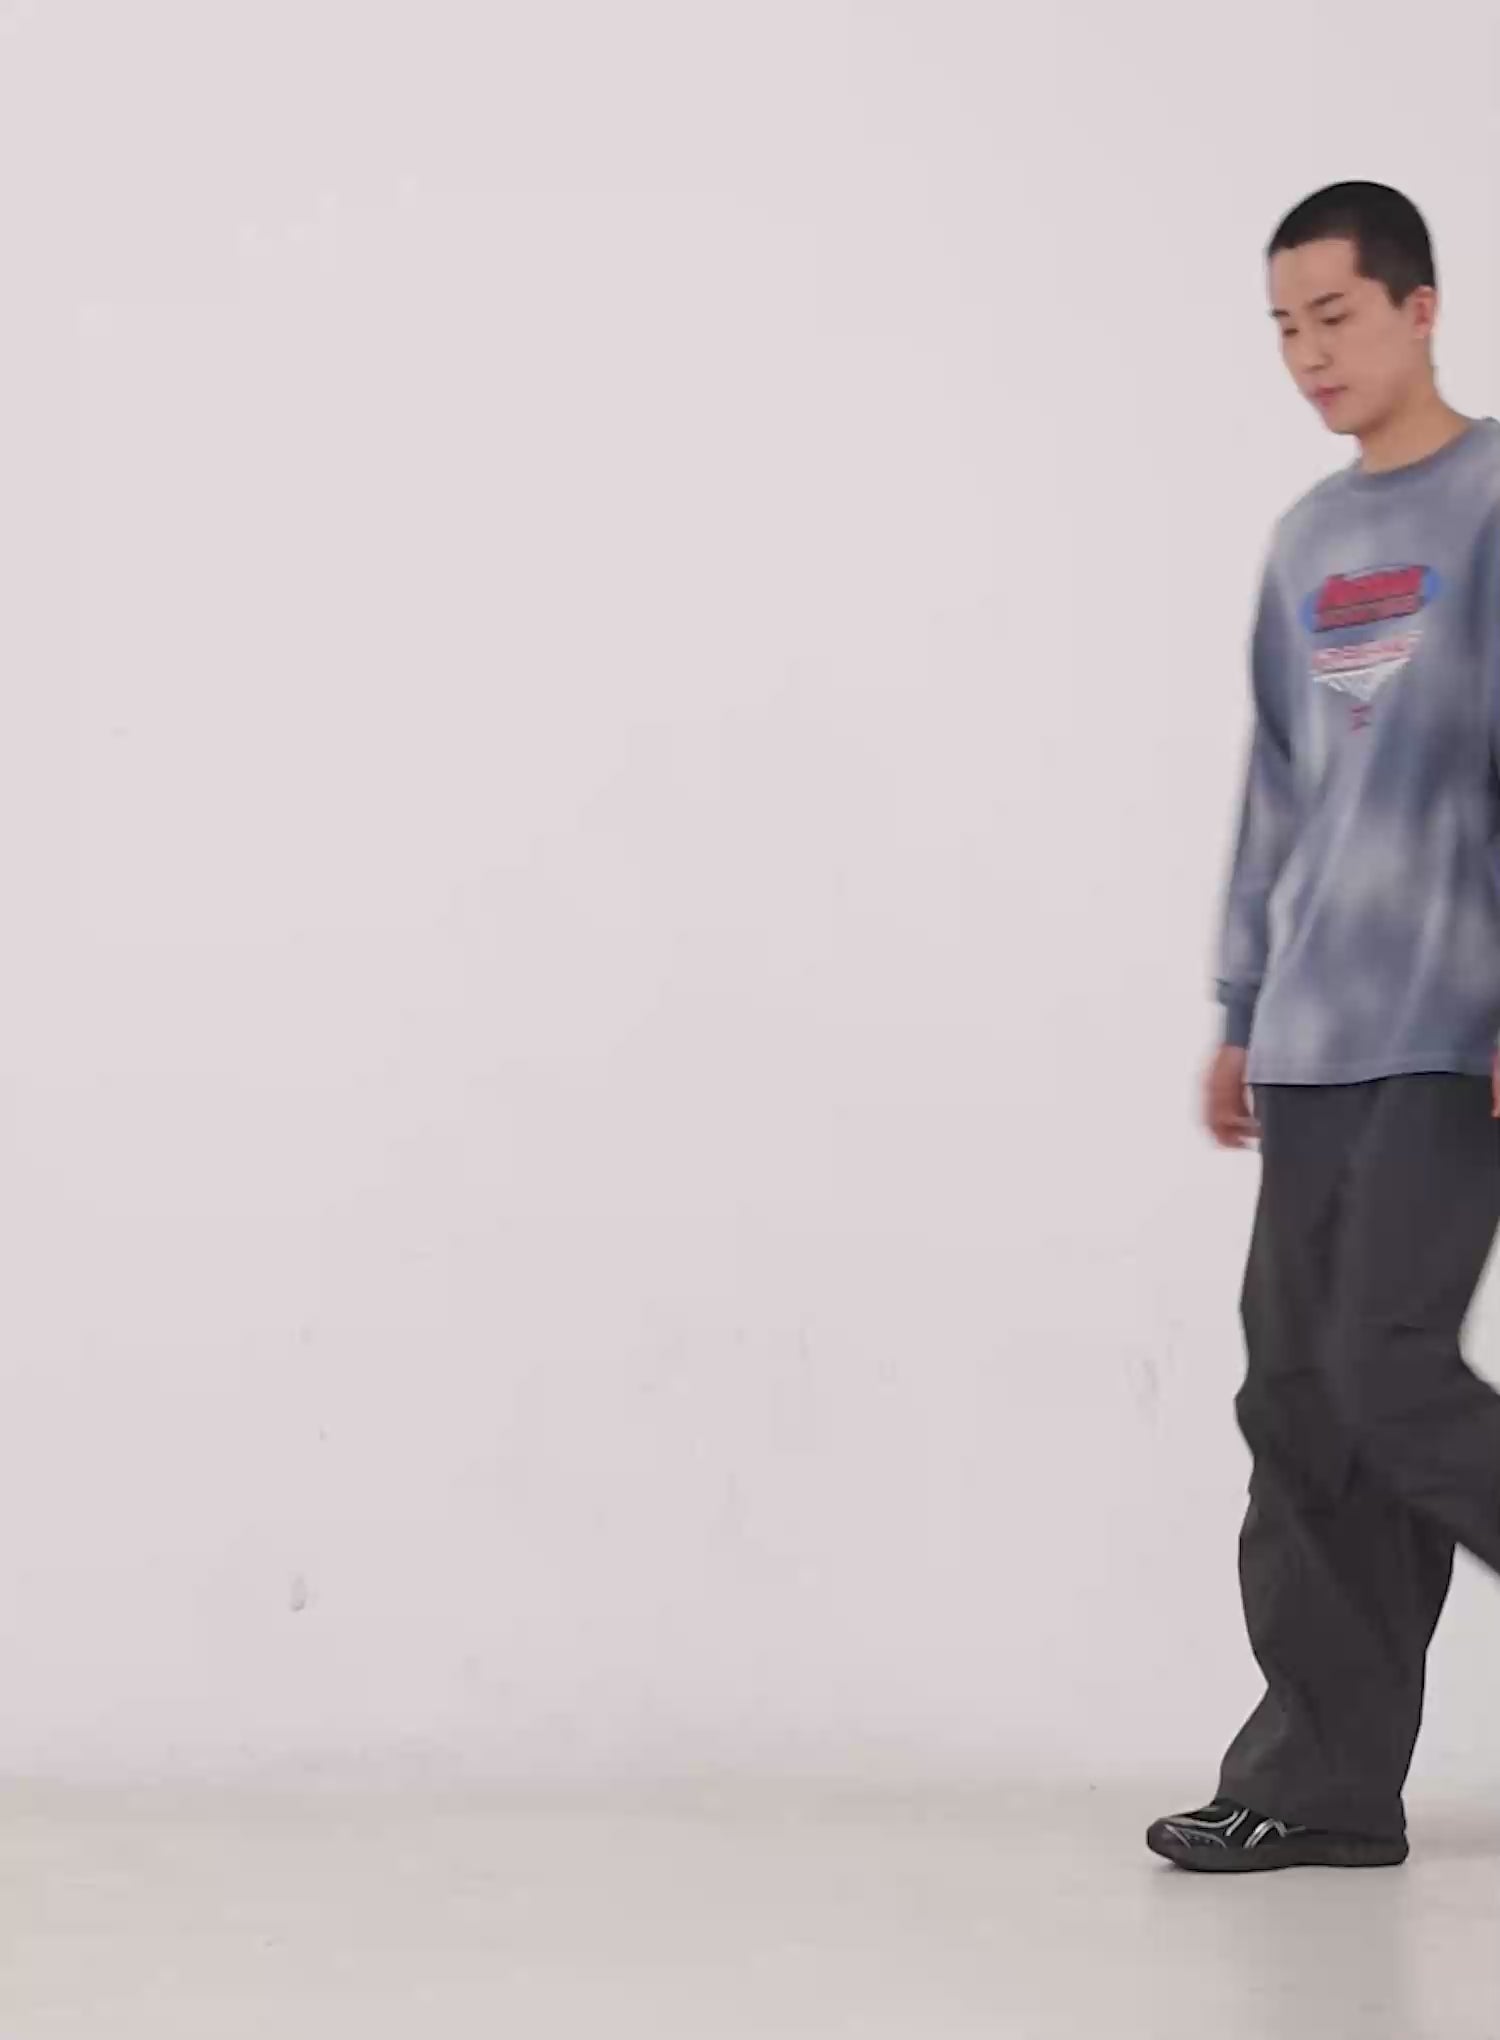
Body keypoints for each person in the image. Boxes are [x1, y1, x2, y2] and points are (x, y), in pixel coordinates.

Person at [1147, 181, 1500, 1874]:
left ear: (1420, 309)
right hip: (1312, 1036)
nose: (1309, 355)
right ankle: (1323, 1784)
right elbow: (1278, 789)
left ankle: (1329, 1771)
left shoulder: (1492, 504)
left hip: (1451, 1032)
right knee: (1302, 1404)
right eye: (1285, 327)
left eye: (1336, 317)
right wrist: (1241, 1003)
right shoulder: (1306, 540)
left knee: (1389, 1371)